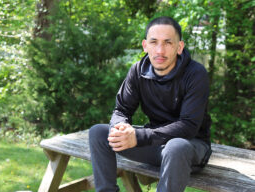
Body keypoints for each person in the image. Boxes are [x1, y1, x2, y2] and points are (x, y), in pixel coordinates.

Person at [89, 16, 212, 192]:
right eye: (154, 42)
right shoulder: (138, 71)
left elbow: (188, 126)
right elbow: (121, 109)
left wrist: (138, 137)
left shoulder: (195, 74)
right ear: (145, 45)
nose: (160, 50)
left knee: (176, 146)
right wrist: (120, 128)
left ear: (179, 47)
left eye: (168, 43)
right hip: (155, 144)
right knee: (98, 133)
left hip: (189, 148)